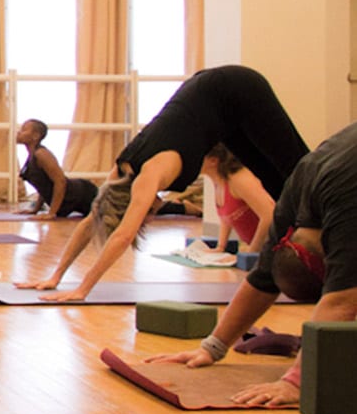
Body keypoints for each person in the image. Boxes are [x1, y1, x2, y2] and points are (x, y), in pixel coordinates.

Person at [16, 65, 308, 301]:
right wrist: (55, 277)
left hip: (236, 87)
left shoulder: (146, 177)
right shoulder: (118, 172)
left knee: (299, 170)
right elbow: (91, 221)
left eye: (147, 214)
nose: (153, 214)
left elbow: (121, 237)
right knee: (280, 186)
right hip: (217, 105)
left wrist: (82, 289)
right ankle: (315, 255)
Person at [145, 122, 357, 407]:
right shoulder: (297, 198)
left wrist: (296, 382)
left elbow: (341, 302)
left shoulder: (344, 206)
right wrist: (213, 347)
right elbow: (261, 278)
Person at [13, 119, 98, 219]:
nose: (19, 132)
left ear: (35, 136)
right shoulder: (32, 155)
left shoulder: (42, 154)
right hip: (71, 198)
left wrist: (51, 213)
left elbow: (60, 181)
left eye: (24, 130)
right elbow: (43, 185)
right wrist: (35, 210)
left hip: (84, 194)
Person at [200, 143, 275, 253]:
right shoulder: (219, 181)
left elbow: (269, 214)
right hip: (259, 249)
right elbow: (226, 216)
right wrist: (221, 247)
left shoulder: (239, 179)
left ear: (213, 161)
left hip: (275, 248)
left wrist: (252, 250)